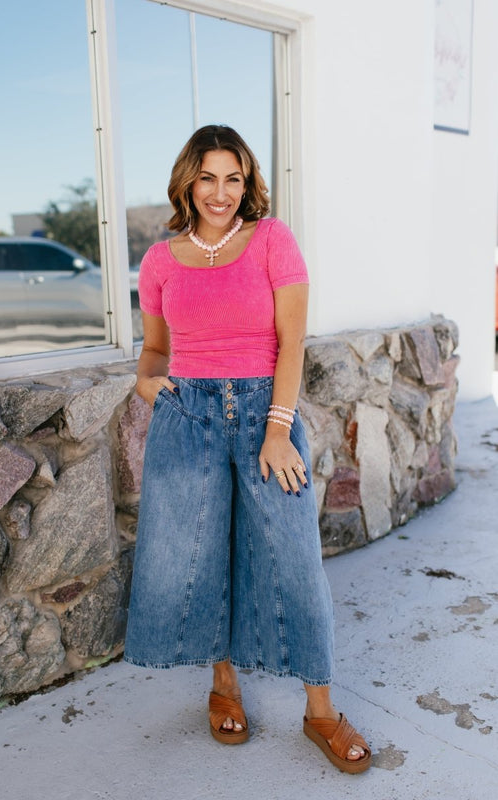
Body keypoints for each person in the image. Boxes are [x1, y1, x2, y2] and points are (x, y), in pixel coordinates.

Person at [124, 124, 371, 774]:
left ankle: (320, 711)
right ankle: (224, 684)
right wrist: (149, 386)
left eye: (232, 178)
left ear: (247, 183)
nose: (220, 192)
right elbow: (154, 349)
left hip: (265, 412)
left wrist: (275, 427)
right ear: (187, 181)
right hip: (187, 415)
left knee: (292, 559)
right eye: (207, 177)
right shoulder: (158, 259)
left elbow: (291, 343)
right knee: (202, 556)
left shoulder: (270, 240)